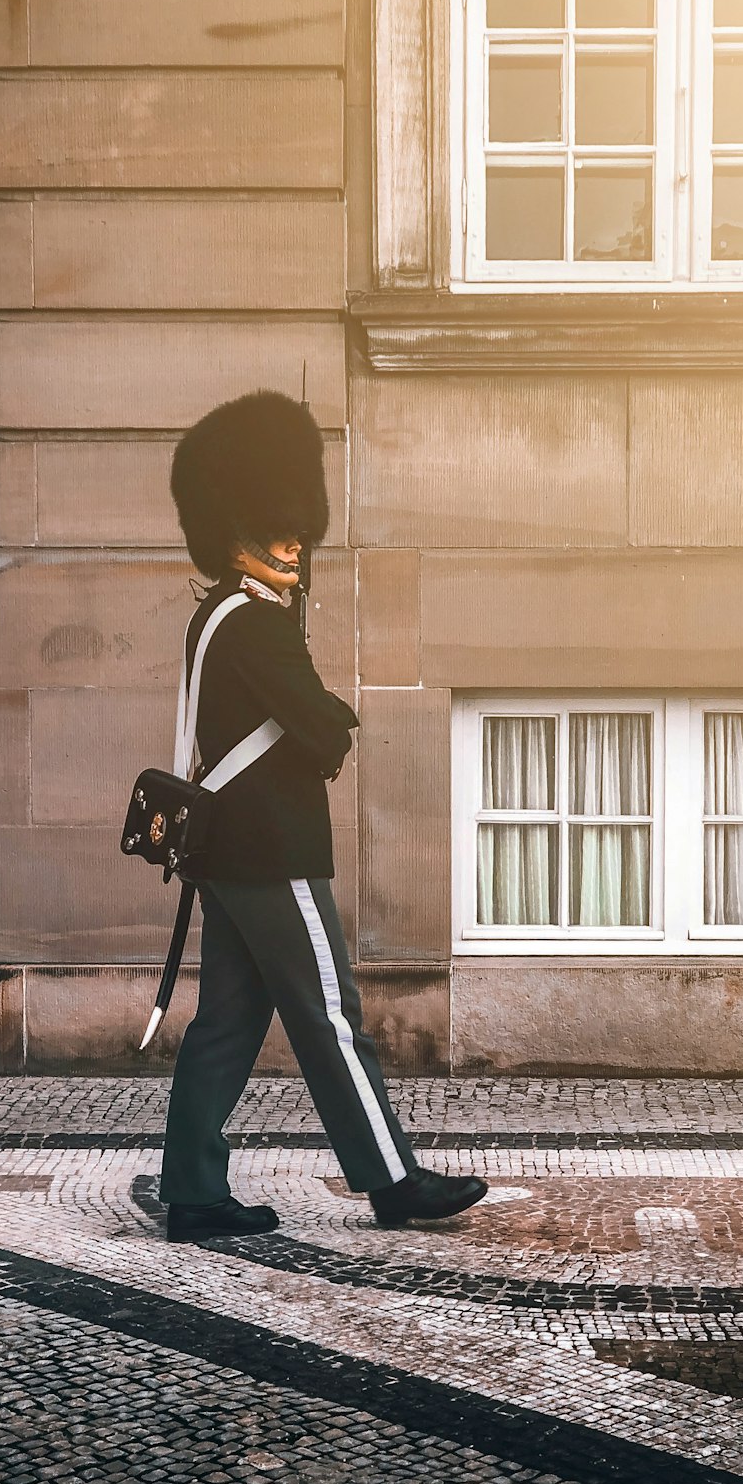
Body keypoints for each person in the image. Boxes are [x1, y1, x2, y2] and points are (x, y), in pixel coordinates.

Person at [159, 389, 488, 1242]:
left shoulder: (217, 616)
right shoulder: (255, 623)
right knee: (332, 1015)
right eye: (277, 529)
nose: (294, 542)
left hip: (230, 854)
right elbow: (320, 721)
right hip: (272, 849)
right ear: (236, 533)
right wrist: (331, 726)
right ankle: (390, 1179)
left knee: (227, 1022)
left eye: (296, 528)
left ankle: (193, 1192)